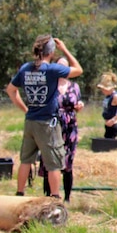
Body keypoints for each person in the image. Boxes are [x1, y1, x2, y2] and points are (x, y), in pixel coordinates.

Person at [6, 35, 83, 199]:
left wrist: (25, 109)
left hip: (30, 121)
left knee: (26, 160)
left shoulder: (26, 68)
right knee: (54, 163)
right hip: (48, 123)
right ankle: (55, 198)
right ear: (52, 51)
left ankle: (19, 194)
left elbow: (10, 90)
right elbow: (78, 69)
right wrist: (65, 50)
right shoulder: (52, 69)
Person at [38, 57, 84, 202]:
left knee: (68, 161)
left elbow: (78, 102)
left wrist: (79, 106)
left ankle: (67, 197)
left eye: (65, 66)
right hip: (51, 125)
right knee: (49, 159)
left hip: (69, 127)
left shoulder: (74, 86)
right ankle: (49, 196)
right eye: (59, 66)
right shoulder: (48, 84)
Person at [97, 73, 117, 139]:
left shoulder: (115, 96)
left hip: (114, 125)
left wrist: (113, 120)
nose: (103, 90)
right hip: (108, 125)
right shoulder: (108, 96)